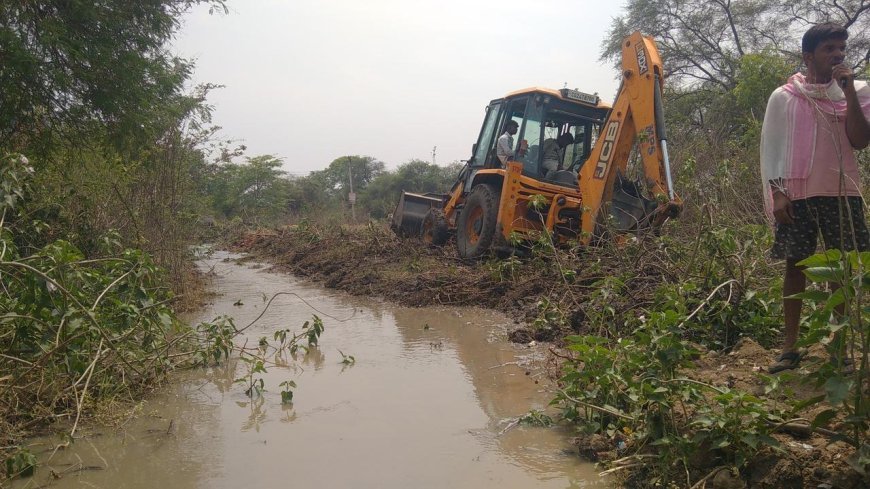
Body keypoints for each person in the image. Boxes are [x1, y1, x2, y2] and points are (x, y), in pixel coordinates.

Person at [760, 23, 870, 373]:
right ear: (809, 56)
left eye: (841, 49)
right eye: (829, 49)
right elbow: (772, 147)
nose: (837, 55)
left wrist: (849, 92)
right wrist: (778, 193)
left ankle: (839, 348)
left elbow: (860, 140)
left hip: (842, 190)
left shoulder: (858, 93)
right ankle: (790, 348)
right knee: (796, 266)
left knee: (842, 268)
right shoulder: (784, 97)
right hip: (799, 194)